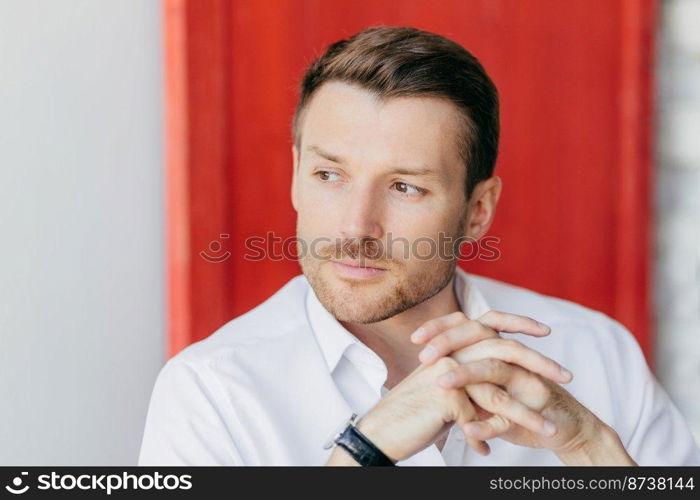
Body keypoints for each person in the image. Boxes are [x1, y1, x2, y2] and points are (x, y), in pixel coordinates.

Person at [138, 26, 700, 466]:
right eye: (329, 176)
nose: (357, 227)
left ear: (478, 210)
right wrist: (364, 454)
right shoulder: (212, 392)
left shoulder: (598, 355)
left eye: (406, 187)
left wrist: (586, 449)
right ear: (295, 176)